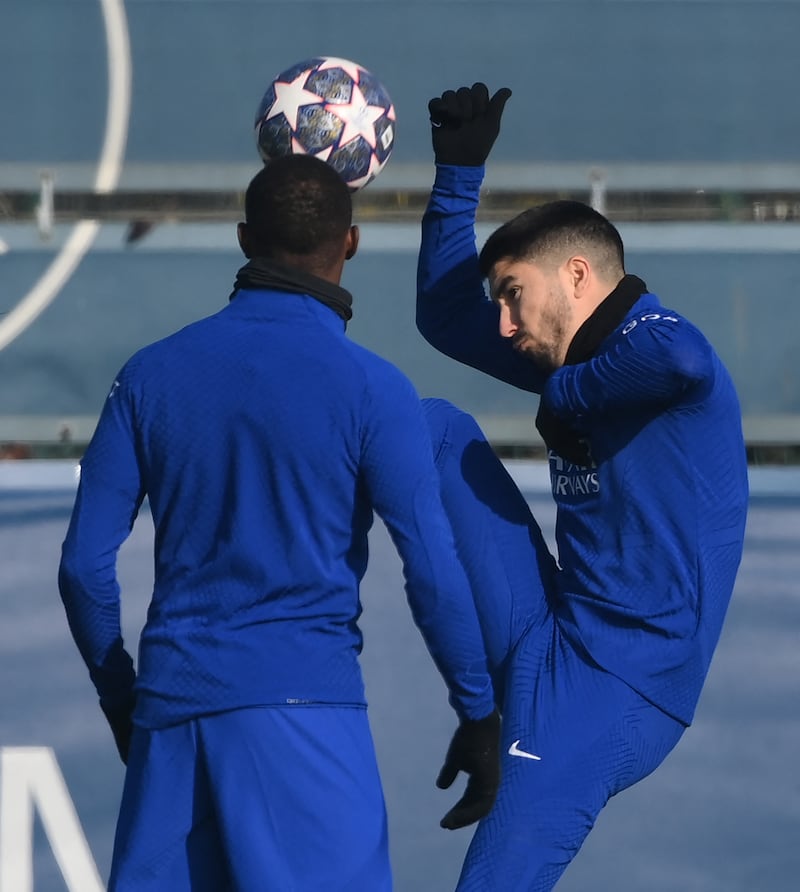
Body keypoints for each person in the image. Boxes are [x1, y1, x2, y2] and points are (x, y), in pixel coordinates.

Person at [58, 154, 501, 892]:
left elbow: (82, 568)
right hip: (301, 717)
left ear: (242, 238)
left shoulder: (148, 374)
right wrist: (478, 710)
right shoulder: (375, 388)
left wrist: (124, 700)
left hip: (172, 716)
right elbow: (431, 566)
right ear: (350, 244)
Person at [415, 83, 749, 890]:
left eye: (512, 296)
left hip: (618, 686)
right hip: (550, 623)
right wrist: (458, 173)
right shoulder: (568, 359)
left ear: (576, 274)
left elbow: (685, 363)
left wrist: (566, 398)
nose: (502, 324)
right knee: (427, 425)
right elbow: (441, 319)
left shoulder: (656, 340)